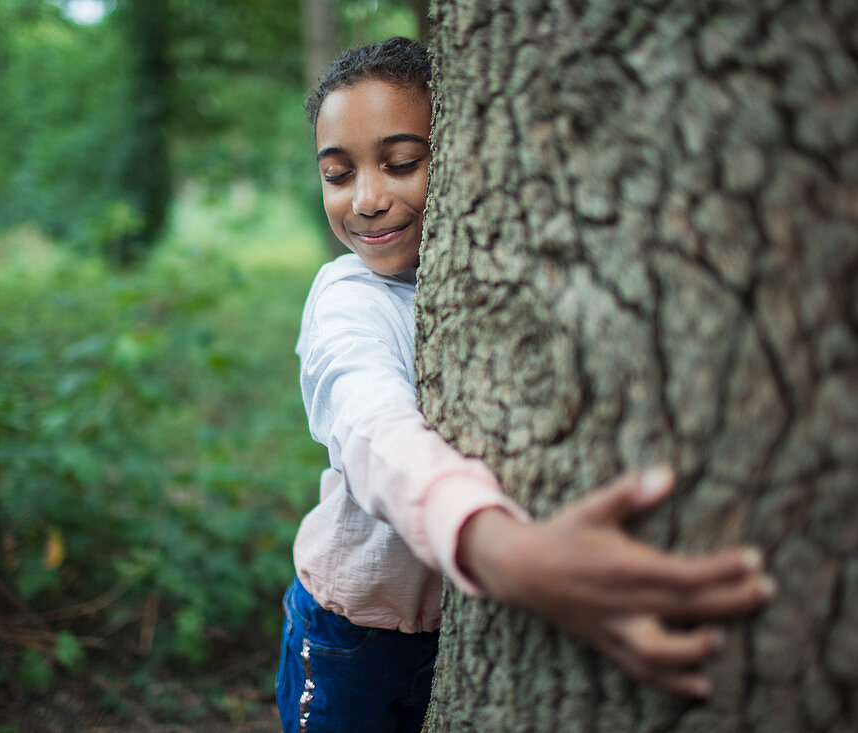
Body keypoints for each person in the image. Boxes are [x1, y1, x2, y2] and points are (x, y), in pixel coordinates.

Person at [276, 37, 775, 733]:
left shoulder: (491, 270)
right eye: (338, 173)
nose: (367, 199)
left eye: (402, 163)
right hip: (351, 637)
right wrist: (504, 551)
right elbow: (371, 428)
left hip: (460, 633)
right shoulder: (346, 299)